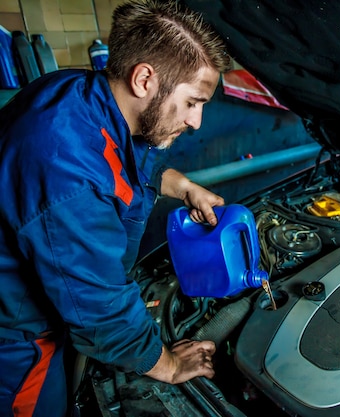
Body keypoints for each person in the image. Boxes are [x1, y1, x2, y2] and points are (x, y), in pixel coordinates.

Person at [0, 1, 232, 416]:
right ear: (144, 78)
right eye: (194, 101)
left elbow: (120, 164)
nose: (196, 121)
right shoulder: (65, 167)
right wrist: (170, 364)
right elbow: (99, 312)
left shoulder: (79, 93)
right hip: (19, 343)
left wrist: (182, 186)